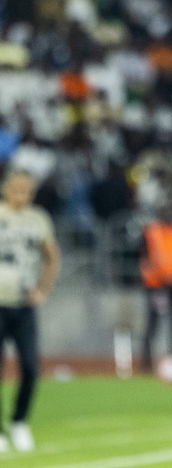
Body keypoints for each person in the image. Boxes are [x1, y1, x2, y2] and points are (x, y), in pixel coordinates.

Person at [0, 171, 61, 452]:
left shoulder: (38, 219)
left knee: (30, 367)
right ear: (6, 190)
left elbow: (51, 257)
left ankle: (19, 420)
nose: (22, 196)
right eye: (17, 190)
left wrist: (43, 289)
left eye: (27, 191)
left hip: (24, 304)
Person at [139, 199, 172, 372]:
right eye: (167, 210)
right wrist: (155, 277)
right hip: (157, 285)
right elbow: (145, 257)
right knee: (153, 324)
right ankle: (146, 363)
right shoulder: (151, 231)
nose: (171, 214)